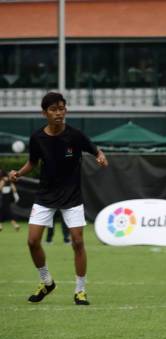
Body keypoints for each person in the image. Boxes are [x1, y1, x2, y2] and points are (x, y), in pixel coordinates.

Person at [9, 92, 108, 305]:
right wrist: (19, 172)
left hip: (72, 196)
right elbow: (33, 162)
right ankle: (46, 282)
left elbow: (96, 151)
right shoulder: (37, 138)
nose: (59, 113)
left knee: (78, 241)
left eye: (62, 108)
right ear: (44, 113)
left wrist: (100, 157)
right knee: (32, 241)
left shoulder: (75, 135)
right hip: (45, 195)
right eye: (54, 110)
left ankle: (80, 291)